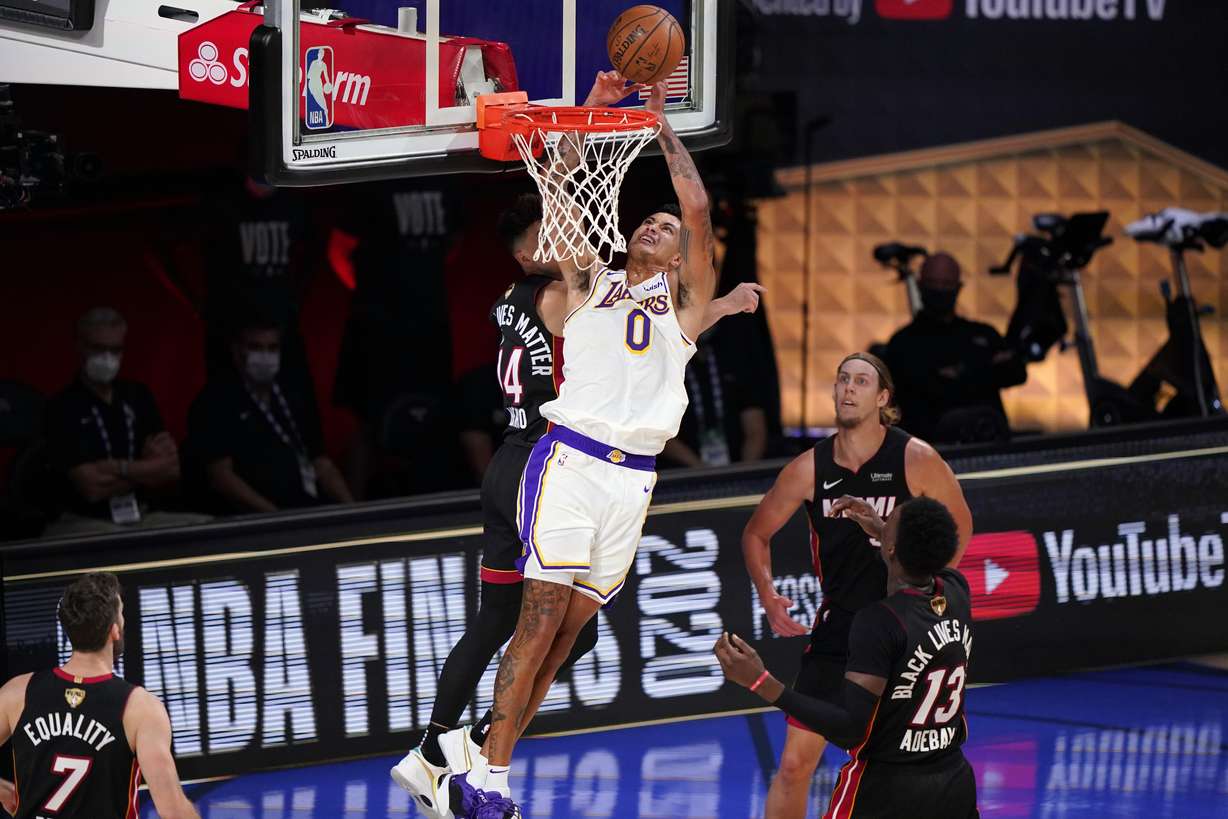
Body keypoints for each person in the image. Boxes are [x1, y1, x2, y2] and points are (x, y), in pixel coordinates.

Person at [390, 189, 763, 817]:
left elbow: (665, 326)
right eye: (550, 233)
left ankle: (449, 750)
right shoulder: (568, 287)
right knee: (530, 625)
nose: (567, 236)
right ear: (532, 247)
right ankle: (458, 753)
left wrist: (721, 303)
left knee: (540, 628)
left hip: (533, 457)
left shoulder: (523, 298)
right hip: (551, 454)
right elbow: (636, 311)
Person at [742, 352, 972, 819]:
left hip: (902, 625)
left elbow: (960, 526)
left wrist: (930, 589)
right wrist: (767, 595)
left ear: (882, 397)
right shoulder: (810, 467)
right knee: (793, 765)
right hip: (840, 629)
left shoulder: (916, 457)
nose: (848, 388)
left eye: (861, 381)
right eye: (842, 379)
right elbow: (756, 533)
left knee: (901, 759)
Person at [717, 497, 979, 818]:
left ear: (893, 548)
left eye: (890, 519)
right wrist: (885, 531)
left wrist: (761, 682)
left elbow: (851, 728)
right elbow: (928, 561)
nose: (884, 518)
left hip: (887, 788)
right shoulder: (955, 589)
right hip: (953, 780)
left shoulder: (880, 621)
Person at [0, 572, 200, 819]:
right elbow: (174, 811)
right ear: (114, 631)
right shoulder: (140, 708)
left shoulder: (18, 692)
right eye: (122, 613)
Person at [330, 179, 462, 498]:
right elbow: (338, 247)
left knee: (433, 414)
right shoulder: (373, 182)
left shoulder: (447, 182)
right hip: (378, 327)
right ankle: (354, 509)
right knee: (367, 419)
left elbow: (456, 238)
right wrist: (370, 292)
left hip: (429, 324)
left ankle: (433, 498)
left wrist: (423, 283)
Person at [42, 308, 207, 536]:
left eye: (115, 349)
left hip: (141, 515)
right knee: (116, 545)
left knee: (206, 528)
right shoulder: (62, 406)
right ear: (80, 346)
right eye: (98, 348)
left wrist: (116, 469)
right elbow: (91, 488)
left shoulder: (138, 396)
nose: (107, 358)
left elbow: (170, 470)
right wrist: (146, 471)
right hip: (83, 521)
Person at [187, 318, 353, 514]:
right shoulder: (215, 402)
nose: (265, 356)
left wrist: (352, 509)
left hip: (308, 508)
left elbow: (320, 462)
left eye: (272, 348)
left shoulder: (294, 394)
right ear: (236, 349)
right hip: (258, 520)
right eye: (256, 347)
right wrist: (276, 517)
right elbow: (222, 477)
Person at [884, 252, 1026, 443]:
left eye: (946, 284)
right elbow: (923, 387)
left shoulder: (983, 333)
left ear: (958, 288)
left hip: (993, 448)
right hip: (932, 453)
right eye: (934, 284)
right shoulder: (903, 343)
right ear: (921, 286)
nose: (940, 290)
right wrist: (984, 369)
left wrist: (959, 373)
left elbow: (1017, 371)